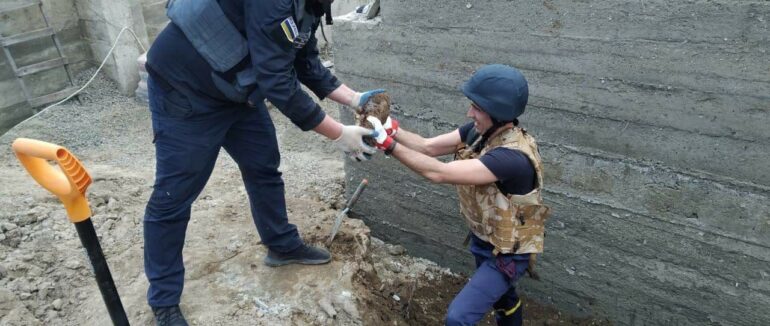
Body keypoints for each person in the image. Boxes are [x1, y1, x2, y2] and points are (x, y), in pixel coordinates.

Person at [143, 0, 380, 324]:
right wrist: (338, 134)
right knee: (173, 196)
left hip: (236, 88)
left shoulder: (308, 5)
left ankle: (281, 245)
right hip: (185, 90)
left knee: (263, 167)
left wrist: (354, 98)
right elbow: (278, 83)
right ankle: (164, 300)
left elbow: (305, 62)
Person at [366, 64, 551, 326]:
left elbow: (439, 173)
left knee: (458, 317)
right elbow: (428, 147)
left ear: (497, 112)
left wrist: (387, 144)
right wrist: (390, 128)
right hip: (486, 240)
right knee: (503, 299)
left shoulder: (511, 158)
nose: (469, 112)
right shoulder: (482, 132)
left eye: (477, 107)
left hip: (508, 252)